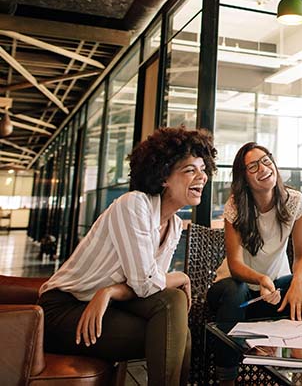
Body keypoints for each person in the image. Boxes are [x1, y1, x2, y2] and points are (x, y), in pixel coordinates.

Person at [38, 127, 217, 386]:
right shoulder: (134, 204)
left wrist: (109, 291)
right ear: (164, 176)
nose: (202, 177)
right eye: (191, 170)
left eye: (203, 169)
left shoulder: (175, 225)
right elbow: (147, 283)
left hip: (107, 303)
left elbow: (150, 288)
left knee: (173, 310)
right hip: (63, 310)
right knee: (173, 331)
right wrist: (181, 276)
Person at [208, 142, 302, 385]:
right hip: (236, 295)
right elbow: (235, 264)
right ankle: (226, 379)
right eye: (253, 166)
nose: (263, 168)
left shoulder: (294, 201)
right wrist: (262, 279)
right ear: (244, 178)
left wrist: (297, 284)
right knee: (234, 289)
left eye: (266, 160)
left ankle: (301, 373)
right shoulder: (236, 207)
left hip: (271, 294)